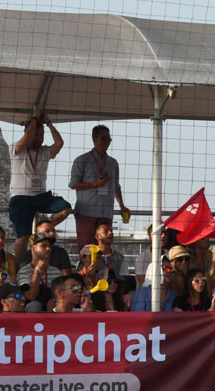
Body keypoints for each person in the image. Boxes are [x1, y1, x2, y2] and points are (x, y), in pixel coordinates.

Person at [9, 110, 73, 263]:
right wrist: (35, 119)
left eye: (41, 135)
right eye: (35, 135)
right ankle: (18, 265)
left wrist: (48, 123)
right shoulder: (17, 148)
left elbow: (59, 143)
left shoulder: (44, 151)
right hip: (21, 196)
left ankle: (42, 230)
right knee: (23, 236)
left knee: (66, 208)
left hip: (40, 196)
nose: (38, 139)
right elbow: (26, 137)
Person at [69, 124, 129, 253]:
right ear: (94, 139)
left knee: (105, 248)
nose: (107, 142)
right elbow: (73, 184)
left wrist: (122, 205)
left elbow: (116, 186)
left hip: (106, 212)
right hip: (86, 212)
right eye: (104, 138)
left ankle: (103, 272)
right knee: (86, 248)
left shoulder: (113, 163)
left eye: (109, 139)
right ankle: (86, 272)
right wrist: (94, 184)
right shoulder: (81, 160)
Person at [17, 234, 58, 310]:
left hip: (52, 309)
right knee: (35, 305)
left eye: (50, 246)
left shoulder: (56, 271)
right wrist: (37, 271)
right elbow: (30, 296)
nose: (48, 248)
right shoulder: (24, 271)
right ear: (33, 249)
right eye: (43, 246)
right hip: (33, 311)